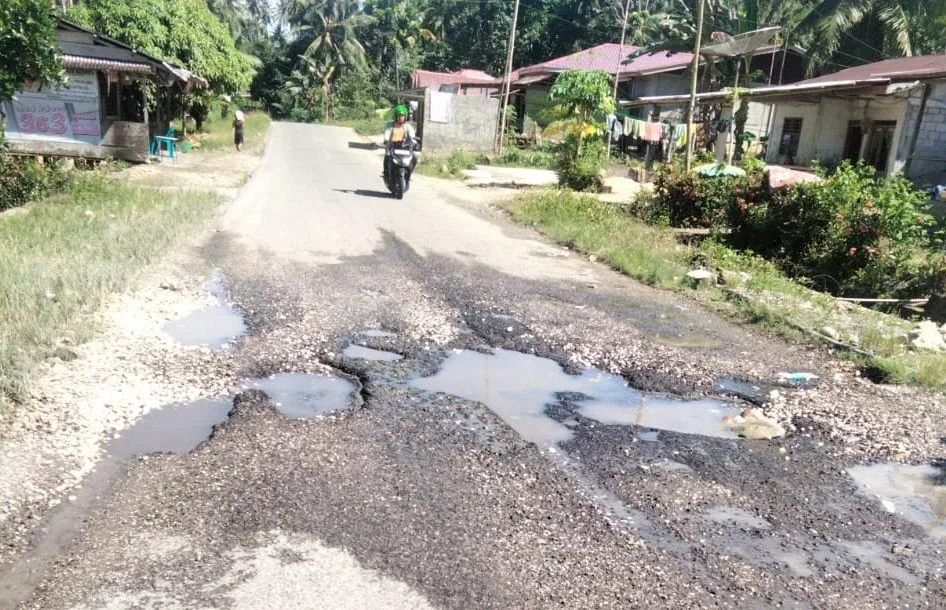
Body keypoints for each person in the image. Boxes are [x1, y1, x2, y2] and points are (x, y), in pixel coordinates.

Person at [382, 105, 416, 182]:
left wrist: (414, 142)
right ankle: (386, 173)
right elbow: (387, 133)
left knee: (415, 156)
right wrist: (386, 140)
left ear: (405, 117)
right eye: (399, 116)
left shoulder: (407, 126)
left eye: (403, 116)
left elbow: (412, 135)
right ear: (395, 116)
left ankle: (409, 173)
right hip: (392, 146)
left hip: (404, 147)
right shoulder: (390, 125)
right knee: (387, 156)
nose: (401, 118)